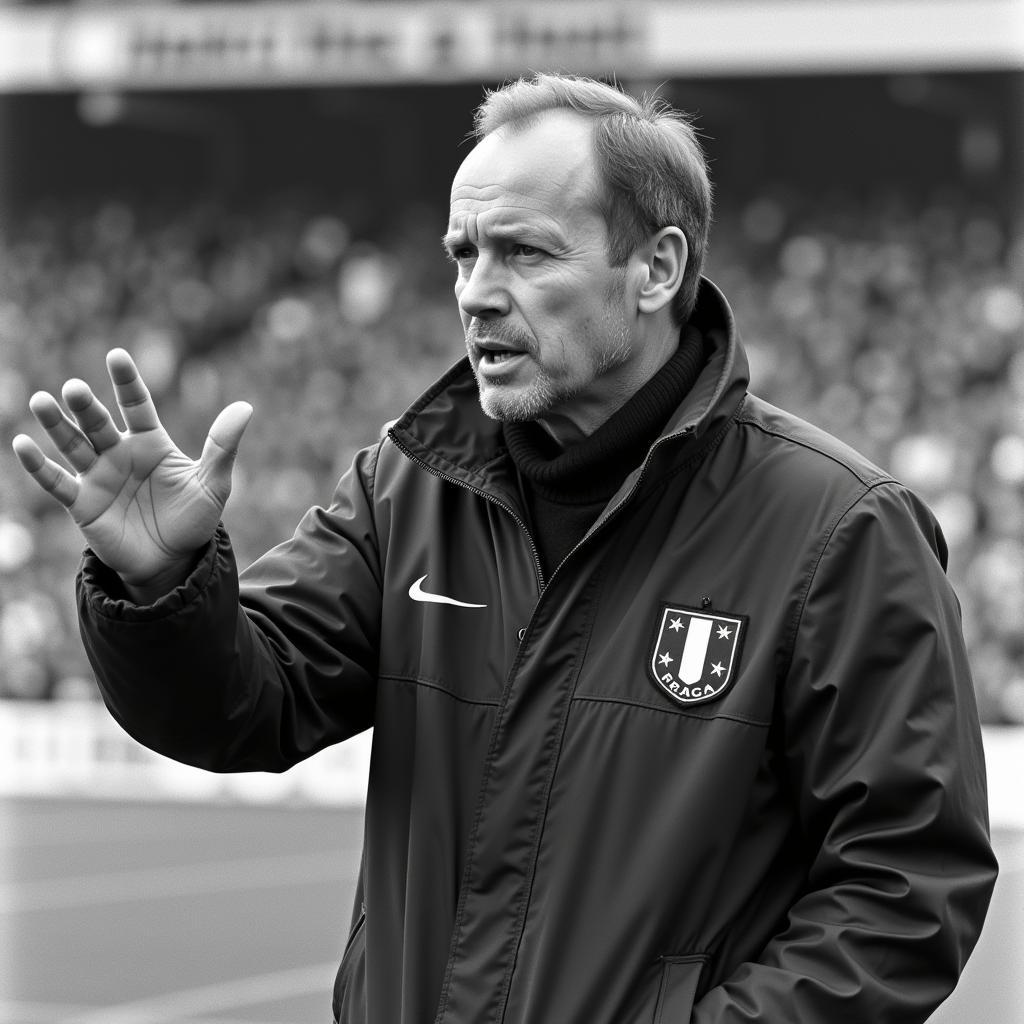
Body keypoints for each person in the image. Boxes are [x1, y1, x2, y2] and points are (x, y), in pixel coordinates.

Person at [12, 73, 997, 1024]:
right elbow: (244, 707)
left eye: (523, 254)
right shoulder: (410, 486)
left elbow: (904, 891)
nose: (476, 294)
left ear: (654, 269)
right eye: (461, 253)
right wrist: (164, 581)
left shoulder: (839, 528)